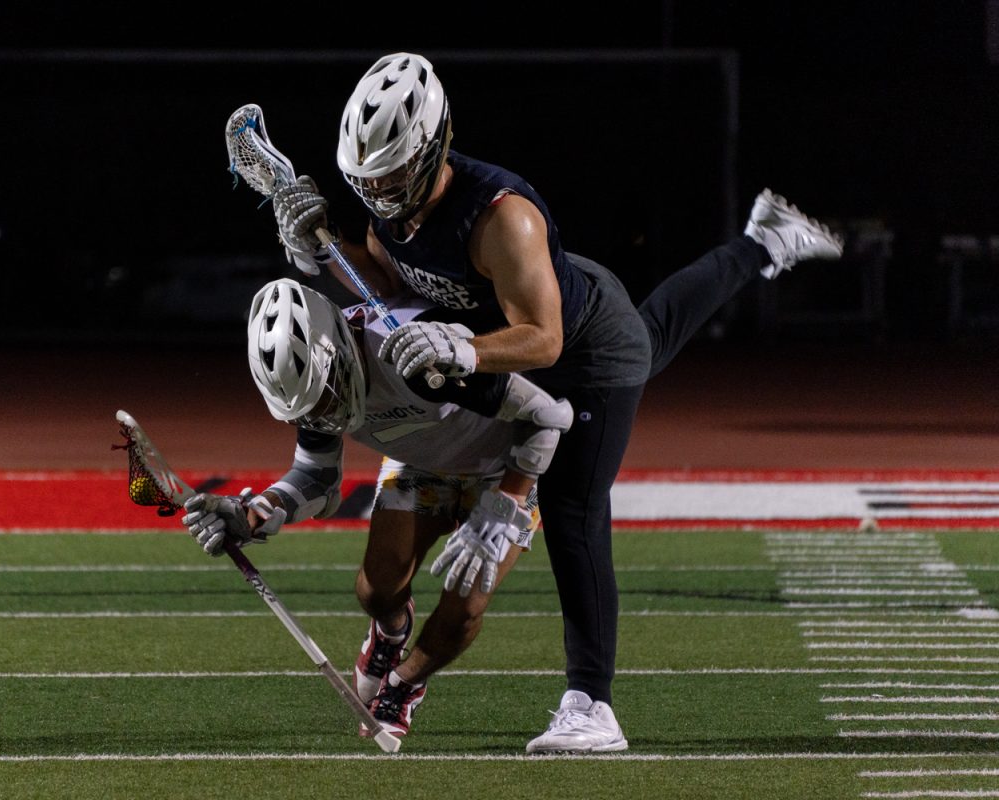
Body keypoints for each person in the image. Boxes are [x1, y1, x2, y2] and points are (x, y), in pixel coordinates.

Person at [269, 51, 845, 753]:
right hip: (538, 319)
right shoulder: (391, 208)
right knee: (658, 331)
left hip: (584, 355)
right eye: (366, 180)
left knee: (574, 510)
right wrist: (315, 256)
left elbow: (544, 340)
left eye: (390, 175)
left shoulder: (502, 217)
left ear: (432, 147)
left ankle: (593, 706)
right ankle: (765, 241)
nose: (379, 192)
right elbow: (388, 287)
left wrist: (469, 351)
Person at [181, 277, 575, 739]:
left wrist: (506, 499)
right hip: (420, 461)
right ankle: (389, 632)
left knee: (465, 607)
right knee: (375, 591)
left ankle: (404, 683)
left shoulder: (411, 354)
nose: (324, 415)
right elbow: (316, 478)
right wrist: (255, 511)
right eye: (310, 408)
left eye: (324, 397)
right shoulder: (316, 382)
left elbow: (550, 415)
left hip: (504, 467)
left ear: (337, 353)